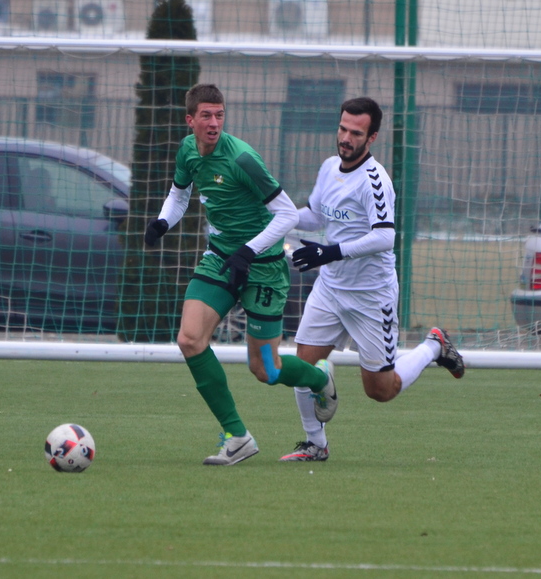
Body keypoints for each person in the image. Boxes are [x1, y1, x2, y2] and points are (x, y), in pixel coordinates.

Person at [143, 84, 335, 466]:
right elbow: (180, 195)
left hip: (263, 270)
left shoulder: (243, 159)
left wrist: (250, 250)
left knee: (266, 368)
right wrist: (163, 222)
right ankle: (237, 437)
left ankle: (319, 379)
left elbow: (288, 215)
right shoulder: (188, 151)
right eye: (206, 116)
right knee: (189, 339)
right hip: (219, 260)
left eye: (219, 115)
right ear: (190, 120)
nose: (214, 124)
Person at [279, 96, 465, 462]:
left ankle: (433, 346)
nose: (346, 138)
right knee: (302, 368)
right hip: (331, 288)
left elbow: (384, 236)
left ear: (372, 137)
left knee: (380, 390)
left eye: (356, 133)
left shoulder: (375, 182)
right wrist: (278, 213)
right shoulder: (329, 167)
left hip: (370, 295)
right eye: (343, 129)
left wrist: (327, 252)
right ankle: (315, 444)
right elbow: (315, 216)